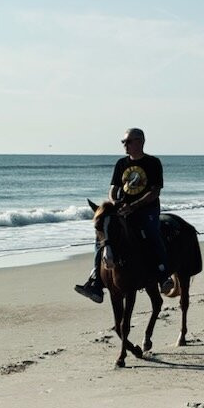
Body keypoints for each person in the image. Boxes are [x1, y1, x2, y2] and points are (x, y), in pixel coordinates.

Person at [74, 128, 174, 303]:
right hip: (122, 208)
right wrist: (114, 202)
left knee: (151, 232)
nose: (124, 145)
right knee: (102, 238)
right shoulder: (121, 163)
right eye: (123, 142)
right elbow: (113, 188)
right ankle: (96, 281)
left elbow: (154, 192)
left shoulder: (153, 163)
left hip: (146, 209)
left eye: (128, 142)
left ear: (140, 142)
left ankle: (163, 275)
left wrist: (134, 206)